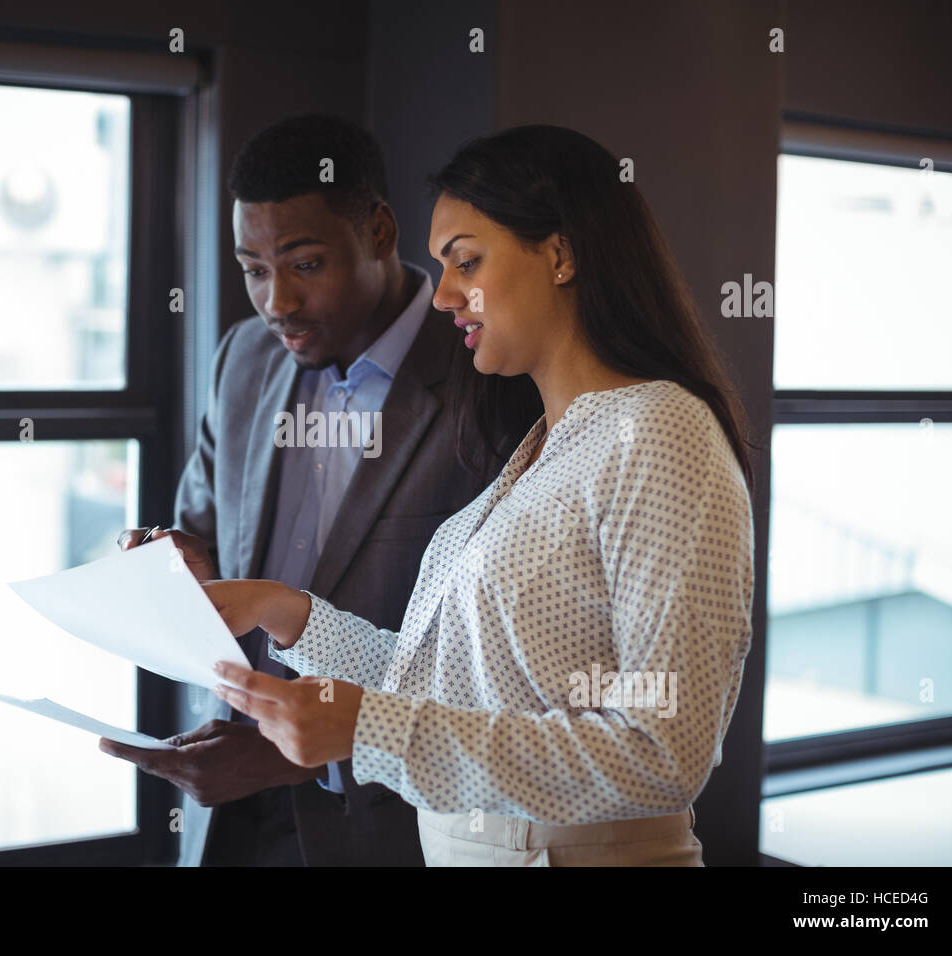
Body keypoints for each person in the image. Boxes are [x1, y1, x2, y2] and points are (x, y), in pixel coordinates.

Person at [202, 124, 757, 866]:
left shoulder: (658, 432)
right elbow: (446, 682)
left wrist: (369, 732)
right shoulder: (545, 444)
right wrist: (288, 613)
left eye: (467, 262)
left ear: (560, 254)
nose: (444, 297)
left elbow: (662, 747)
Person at [99, 114, 537, 866]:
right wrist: (178, 564)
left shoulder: (492, 378)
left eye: (304, 265)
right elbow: (203, 530)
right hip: (227, 816)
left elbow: (498, 670)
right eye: (254, 268)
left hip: (390, 828)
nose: (277, 303)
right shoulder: (243, 359)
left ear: (378, 230)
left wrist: (293, 754)